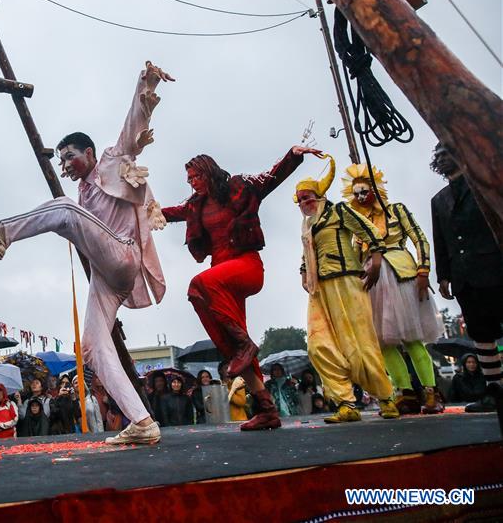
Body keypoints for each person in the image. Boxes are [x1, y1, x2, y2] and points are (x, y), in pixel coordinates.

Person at [0, 62, 173, 446]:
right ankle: (141, 421)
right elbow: (85, 236)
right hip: (108, 276)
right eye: (61, 161)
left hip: (123, 256)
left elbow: (132, 123)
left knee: (62, 209)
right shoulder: (84, 194)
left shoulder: (111, 160)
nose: (66, 166)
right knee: (92, 346)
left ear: (89, 153)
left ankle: (1, 234)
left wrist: (147, 81)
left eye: (70, 157)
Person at [161, 146, 320, 432]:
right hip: (220, 277)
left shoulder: (239, 187)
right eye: (188, 179)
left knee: (199, 283)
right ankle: (266, 408)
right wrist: (137, 211)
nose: (191, 182)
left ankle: (244, 346)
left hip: (245, 266)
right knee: (231, 341)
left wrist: (294, 155)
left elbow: (271, 178)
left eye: (195, 176)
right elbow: (168, 214)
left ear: (208, 172)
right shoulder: (195, 205)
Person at [295, 155, 399, 424]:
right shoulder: (307, 225)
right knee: (319, 346)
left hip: (348, 282)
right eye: (301, 200)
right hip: (320, 290)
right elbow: (307, 254)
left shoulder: (339, 211)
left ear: (319, 196)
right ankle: (345, 402)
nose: (305, 203)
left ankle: (386, 397)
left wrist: (376, 261)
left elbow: (369, 231)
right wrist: (304, 272)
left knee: (360, 342)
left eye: (309, 197)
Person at [341, 163, 444, 414]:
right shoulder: (358, 223)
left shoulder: (396, 210)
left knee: (412, 338)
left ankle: (430, 392)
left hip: (403, 277)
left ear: (376, 189)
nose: (361, 197)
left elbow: (419, 238)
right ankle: (404, 392)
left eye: (364, 191)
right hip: (373, 283)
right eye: (356, 193)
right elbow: (355, 256)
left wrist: (423, 270)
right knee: (383, 343)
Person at [430, 143, 503, 422]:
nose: (443, 159)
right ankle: (494, 390)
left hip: (493, 267)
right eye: (438, 156)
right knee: (481, 335)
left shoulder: (482, 186)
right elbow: (440, 240)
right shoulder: (439, 200)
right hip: (464, 276)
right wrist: (443, 276)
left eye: (448, 153)